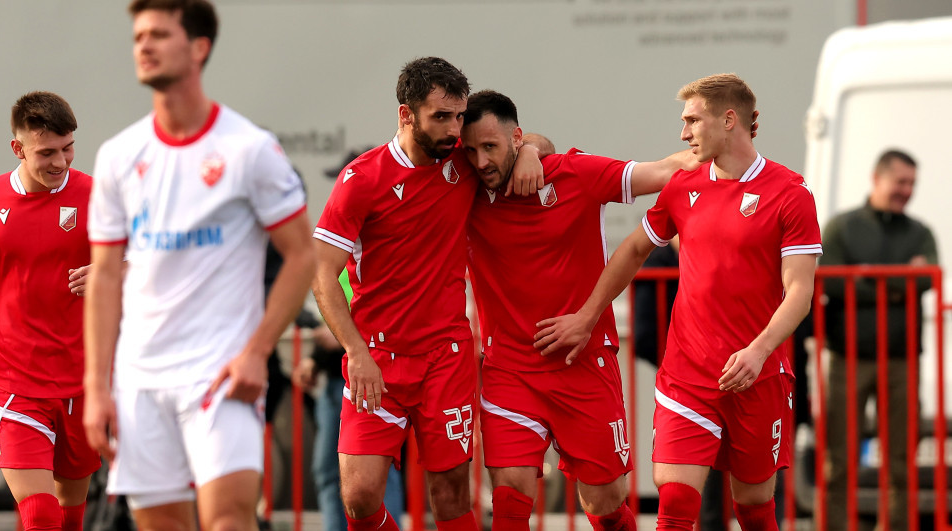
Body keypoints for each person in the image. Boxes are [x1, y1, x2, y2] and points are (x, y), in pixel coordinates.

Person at [534, 73, 822, 531]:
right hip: (687, 373)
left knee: (754, 509)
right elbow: (632, 250)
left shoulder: (790, 193)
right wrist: (587, 317)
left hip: (758, 374)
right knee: (675, 507)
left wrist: (758, 350)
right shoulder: (683, 185)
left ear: (729, 120)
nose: (682, 133)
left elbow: (800, 292)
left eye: (692, 120)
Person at [82, 1, 315, 530]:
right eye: (138, 35)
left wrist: (256, 352)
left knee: (228, 521)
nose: (143, 45)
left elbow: (303, 256)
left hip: (219, 375)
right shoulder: (119, 155)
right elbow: (104, 277)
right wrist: (97, 387)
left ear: (199, 48)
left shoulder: (248, 149)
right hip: (139, 380)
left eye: (159, 34)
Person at [311, 57, 546, 531]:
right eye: (441, 117)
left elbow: (522, 138)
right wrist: (355, 351)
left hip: (447, 358)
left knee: (452, 493)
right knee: (358, 497)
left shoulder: (460, 155)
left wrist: (533, 153)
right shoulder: (362, 180)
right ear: (406, 115)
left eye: (459, 116)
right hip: (376, 359)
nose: (454, 129)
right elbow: (322, 276)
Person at [459, 89, 696, 531]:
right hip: (509, 368)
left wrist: (726, 148)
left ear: (515, 138)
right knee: (509, 499)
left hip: (583, 363)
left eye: (489, 147)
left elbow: (666, 170)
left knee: (606, 505)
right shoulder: (464, 186)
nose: (479, 161)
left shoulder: (575, 175)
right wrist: (530, 147)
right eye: (470, 150)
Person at [0, 91, 100, 531]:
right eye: (46, 152)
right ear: (18, 148)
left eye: (68, 149)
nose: (60, 163)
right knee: (42, 514)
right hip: (15, 384)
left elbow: (146, 261)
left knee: (69, 514)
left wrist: (112, 273)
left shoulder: (99, 195)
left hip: (83, 382)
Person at [820, 149, 937, 531]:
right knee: (839, 457)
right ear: (877, 178)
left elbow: (927, 278)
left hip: (902, 359)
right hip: (847, 357)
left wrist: (866, 278)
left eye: (912, 184)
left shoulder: (921, 232)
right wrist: (899, 280)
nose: (907, 190)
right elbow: (833, 282)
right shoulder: (842, 227)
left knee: (901, 459)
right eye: (901, 182)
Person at [292, 150, 405, 531]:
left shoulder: (379, 243)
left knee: (374, 475)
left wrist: (336, 344)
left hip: (370, 368)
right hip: (342, 371)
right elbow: (335, 313)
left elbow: (356, 320)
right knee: (332, 474)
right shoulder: (342, 242)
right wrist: (317, 359)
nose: (340, 187)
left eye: (346, 176)